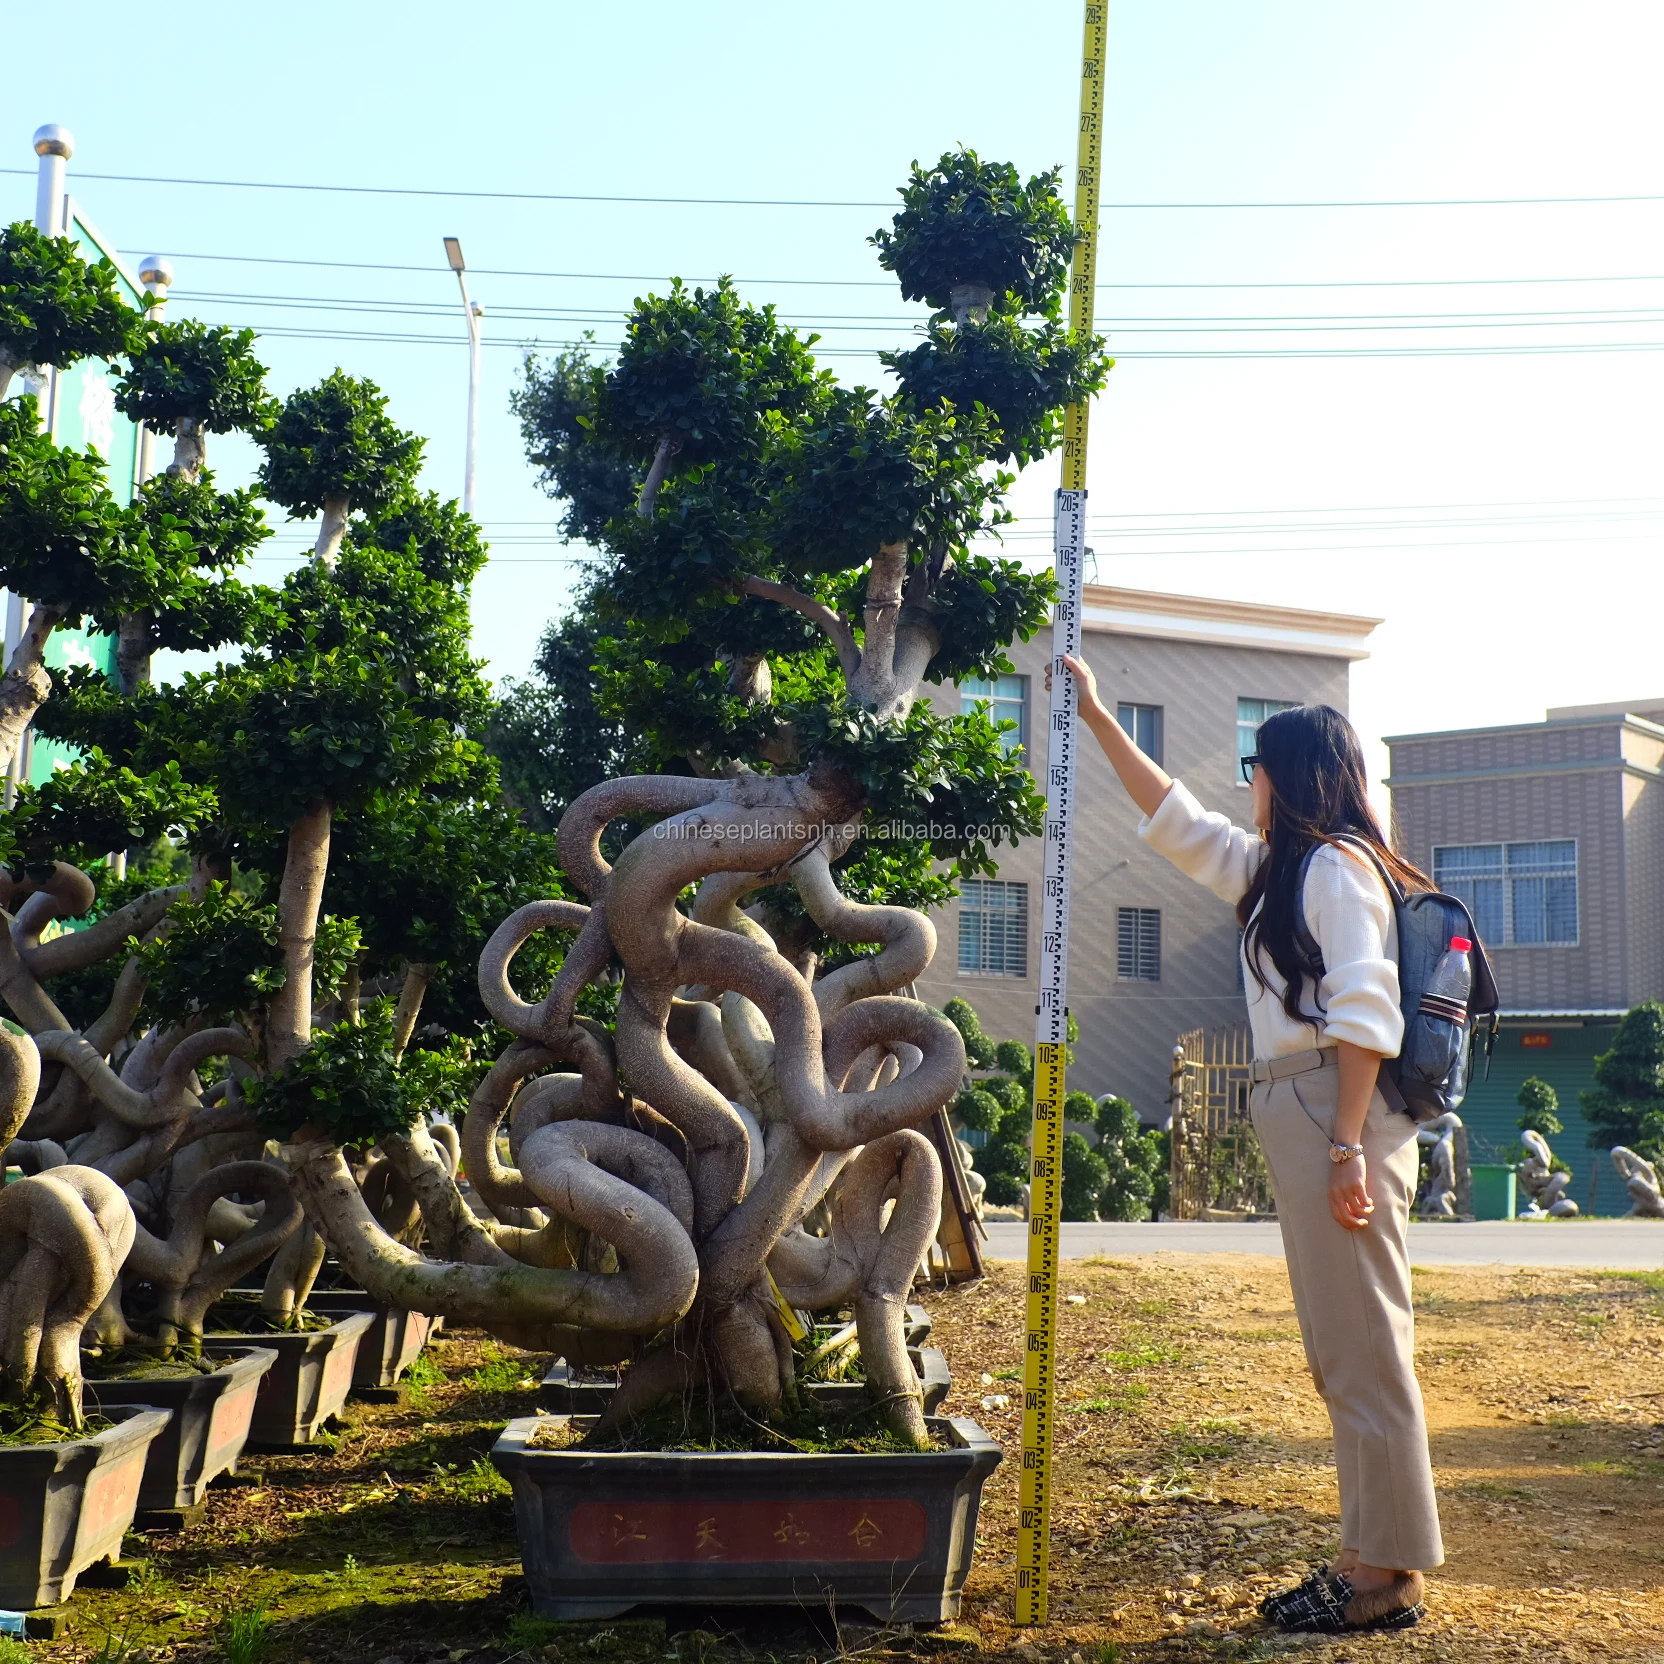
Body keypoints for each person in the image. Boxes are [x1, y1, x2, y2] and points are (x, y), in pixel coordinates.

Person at [1058, 654, 1441, 1636]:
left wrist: (1345, 1144)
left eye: (1256, 768)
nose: (1246, 784)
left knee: (1361, 1345)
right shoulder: (1280, 870)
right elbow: (1177, 818)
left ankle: (1384, 1572)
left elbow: (1364, 1010)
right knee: (1339, 1345)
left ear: (1291, 776)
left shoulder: (1334, 868)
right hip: (1305, 1103)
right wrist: (1098, 716)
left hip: (1330, 1104)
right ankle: (1369, 1554)